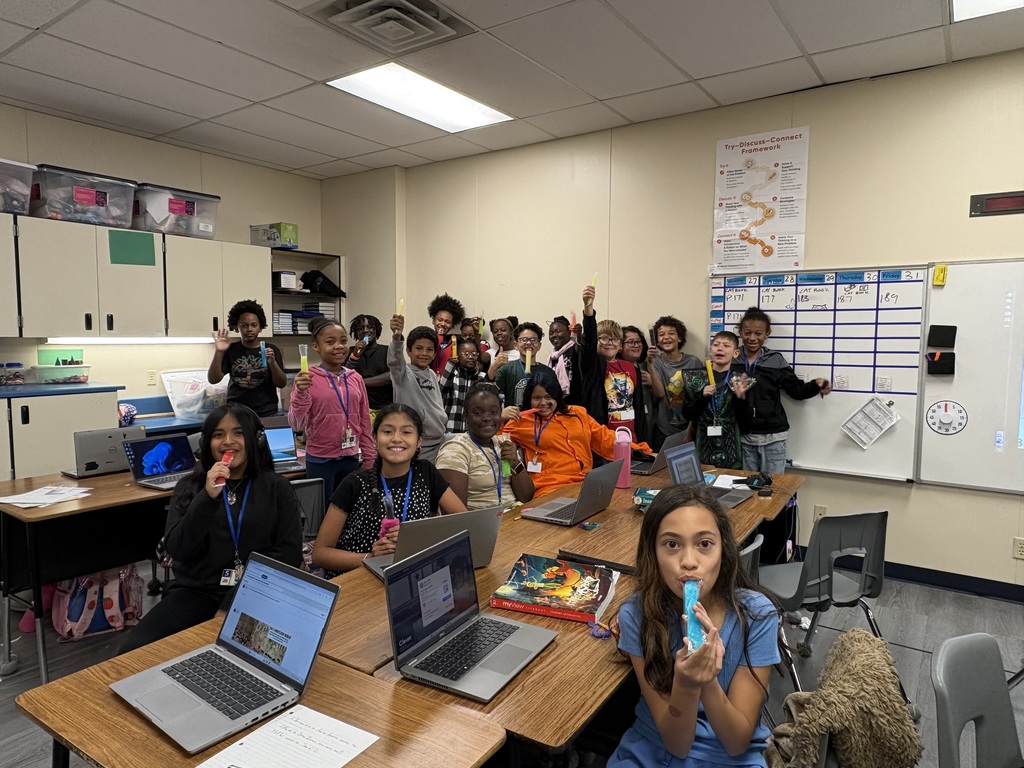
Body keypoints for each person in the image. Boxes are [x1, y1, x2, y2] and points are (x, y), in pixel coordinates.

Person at [607, 484, 780, 767]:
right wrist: (686, 685)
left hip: (727, 756)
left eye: (704, 544)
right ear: (653, 552)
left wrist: (706, 681)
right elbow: (677, 743)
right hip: (653, 745)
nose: (688, 562)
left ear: (724, 550)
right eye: (672, 544)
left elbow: (736, 743)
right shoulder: (637, 616)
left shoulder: (757, 616)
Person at [120, 403, 302, 653]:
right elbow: (178, 550)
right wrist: (207, 497)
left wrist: (232, 602)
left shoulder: (277, 489)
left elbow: (288, 554)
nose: (228, 441)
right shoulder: (189, 486)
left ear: (255, 440)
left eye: (238, 433)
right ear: (207, 443)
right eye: (218, 435)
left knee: (254, 656)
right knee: (134, 651)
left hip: (258, 592)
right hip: (197, 591)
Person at [311, 403, 466, 576]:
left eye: (406, 432)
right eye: (387, 431)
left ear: (419, 440)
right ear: (375, 438)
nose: (396, 438)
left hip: (411, 572)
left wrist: (419, 540)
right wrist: (370, 558)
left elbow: (463, 521)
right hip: (360, 577)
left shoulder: (425, 472)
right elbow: (320, 553)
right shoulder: (355, 483)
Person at [501, 369, 650, 497]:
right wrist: (500, 418)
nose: (543, 403)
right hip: (550, 488)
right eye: (537, 398)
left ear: (557, 396)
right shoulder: (521, 420)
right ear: (529, 399)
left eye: (548, 397)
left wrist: (644, 452)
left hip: (586, 483)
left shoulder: (577, 413)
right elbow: (494, 440)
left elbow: (605, 438)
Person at [289, 317, 375, 509]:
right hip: (320, 460)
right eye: (330, 342)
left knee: (349, 513)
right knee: (320, 514)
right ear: (316, 346)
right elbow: (296, 424)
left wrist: (370, 458)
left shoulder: (355, 378)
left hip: (351, 458)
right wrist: (301, 393)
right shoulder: (307, 379)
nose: (339, 346)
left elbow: (364, 422)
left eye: (343, 341)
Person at [732, 307, 831, 473]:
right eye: (747, 333)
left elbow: (796, 390)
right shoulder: (732, 358)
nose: (752, 338)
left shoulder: (775, 360)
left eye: (758, 333)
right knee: (747, 490)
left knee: (774, 489)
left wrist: (816, 384)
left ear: (767, 334)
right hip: (742, 436)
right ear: (740, 332)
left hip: (773, 437)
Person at [436, 383, 535, 509]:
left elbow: (526, 497)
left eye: (494, 412)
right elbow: (456, 516)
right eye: (477, 413)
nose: (487, 418)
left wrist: (515, 463)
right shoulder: (454, 451)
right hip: (483, 524)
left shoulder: (504, 444)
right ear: (466, 417)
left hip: (514, 517)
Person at [579, 284, 647, 441]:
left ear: (620, 343)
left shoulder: (630, 367)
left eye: (615, 338)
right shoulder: (593, 366)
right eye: (603, 338)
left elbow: (638, 406)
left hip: (631, 438)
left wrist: (643, 442)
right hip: (603, 440)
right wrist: (588, 307)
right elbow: (588, 341)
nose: (610, 342)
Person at [682, 331, 751, 470]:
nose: (720, 348)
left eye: (726, 345)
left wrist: (740, 398)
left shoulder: (741, 380)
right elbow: (687, 414)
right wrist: (702, 397)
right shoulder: (695, 377)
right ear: (711, 350)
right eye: (716, 345)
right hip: (702, 443)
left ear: (735, 353)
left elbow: (746, 422)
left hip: (731, 445)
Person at [208, 299, 286, 416]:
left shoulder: (271, 350)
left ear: (260, 327)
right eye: (244, 325)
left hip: (267, 413)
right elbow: (213, 379)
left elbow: (281, 383)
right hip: (236, 412)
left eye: (254, 325)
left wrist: (272, 362)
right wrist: (219, 352)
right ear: (237, 327)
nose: (249, 329)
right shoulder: (230, 350)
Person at [387, 313, 448, 462]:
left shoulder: (432, 374)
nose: (424, 354)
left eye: (429, 350)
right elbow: (395, 361)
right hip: (418, 445)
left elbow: (436, 406)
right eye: (419, 348)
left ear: (434, 353)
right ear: (408, 351)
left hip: (440, 440)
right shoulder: (402, 374)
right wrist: (397, 337)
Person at [648, 315, 703, 449]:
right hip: (663, 429)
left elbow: (698, 400)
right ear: (657, 341)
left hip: (689, 427)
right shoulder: (656, 362)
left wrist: (690, 431)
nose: (666, 337)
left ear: (680, 338)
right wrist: (649, 363)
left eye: (671, 333)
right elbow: (660, 393)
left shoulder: (693, 362)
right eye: (661, 335)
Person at [493, 322, 552, 410]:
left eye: (533, 340)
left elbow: (554, 400)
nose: (528, 343)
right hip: (515, 421)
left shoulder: (548, 372)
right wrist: (501, 413)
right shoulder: (506, 369)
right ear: (516, 345)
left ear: (539, 346)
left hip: (540, 421)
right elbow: (491, 395)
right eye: (524, 339)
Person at [346, 314, 393, 421]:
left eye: (370, 327)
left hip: (384, 408)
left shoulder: (387, 351)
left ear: (377, 331)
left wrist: (360, 381)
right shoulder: (350, 352)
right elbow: (344, 377)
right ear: (356, 333)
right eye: (360, 328)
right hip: (357, 408)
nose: (365, 330)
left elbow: (392, 375)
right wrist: (355, 355)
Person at [439, 337, 487, 433]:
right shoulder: (452, 375)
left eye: (474, 354)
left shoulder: (482, 377)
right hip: (450, 430)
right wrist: (450, 365)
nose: (470, 357)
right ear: (458, 355)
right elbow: (441, 390)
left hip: (472, 432)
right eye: (466, 354)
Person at [620, 325, 655, 446]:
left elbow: (661, 395)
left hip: (651, 425)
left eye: (638, 341)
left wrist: (651, 382)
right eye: (630, 342)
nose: (636, 345)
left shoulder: (645, 366)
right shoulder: (616, 370)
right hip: (628, 430)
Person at [427, 293, 466, 376]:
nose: (443, 324)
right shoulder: (425, 338)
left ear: (452, 324)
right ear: (433, 320)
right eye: (440, 319)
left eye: (447, 322)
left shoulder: (456, 341)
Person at [547, 315, 582, 405]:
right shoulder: (552, 357)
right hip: (557, 404)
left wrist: (579, 336)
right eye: (551, 333)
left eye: (558, 332)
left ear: (568, 333)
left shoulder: (575, 349)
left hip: (576, 403)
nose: (554, 335)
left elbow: (582, 348)